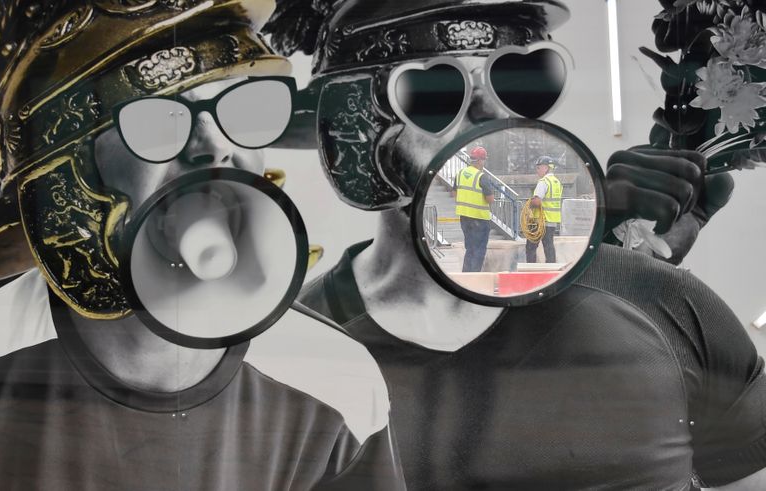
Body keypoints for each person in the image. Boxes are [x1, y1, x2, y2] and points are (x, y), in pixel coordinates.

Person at [265, 0, 766, 489]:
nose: (492, 114)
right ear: (358, 122)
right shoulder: (286, 364)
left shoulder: (663, 301)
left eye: (520, 82)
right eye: (436, 90)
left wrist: (615, 269)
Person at [0, 1, 404, 489]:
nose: (214, 144)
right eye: (158, 118)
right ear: (66, 170)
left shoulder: (339, 382)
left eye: (240, 104)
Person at [455, 146, 494, 272]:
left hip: (464, 217)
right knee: (479, 250)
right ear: (479, 161)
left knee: (470, 248)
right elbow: (490, 199)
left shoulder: (460, 174)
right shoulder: (481, 176)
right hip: (480, 218)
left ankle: (466, 276)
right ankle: (475, 277)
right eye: (484, 160)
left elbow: (454, 193)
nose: (484, 163)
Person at [525, 155, 562, 263]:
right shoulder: (556, 182)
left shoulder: (543, 182)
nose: (537, 170)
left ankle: (531, 270)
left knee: (531, 247)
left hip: (539, 221)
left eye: (539, 167)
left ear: (546, 168)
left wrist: (529, 205)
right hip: (551, 221)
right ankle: (552, 269)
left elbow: (537, 201)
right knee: (549, 246)